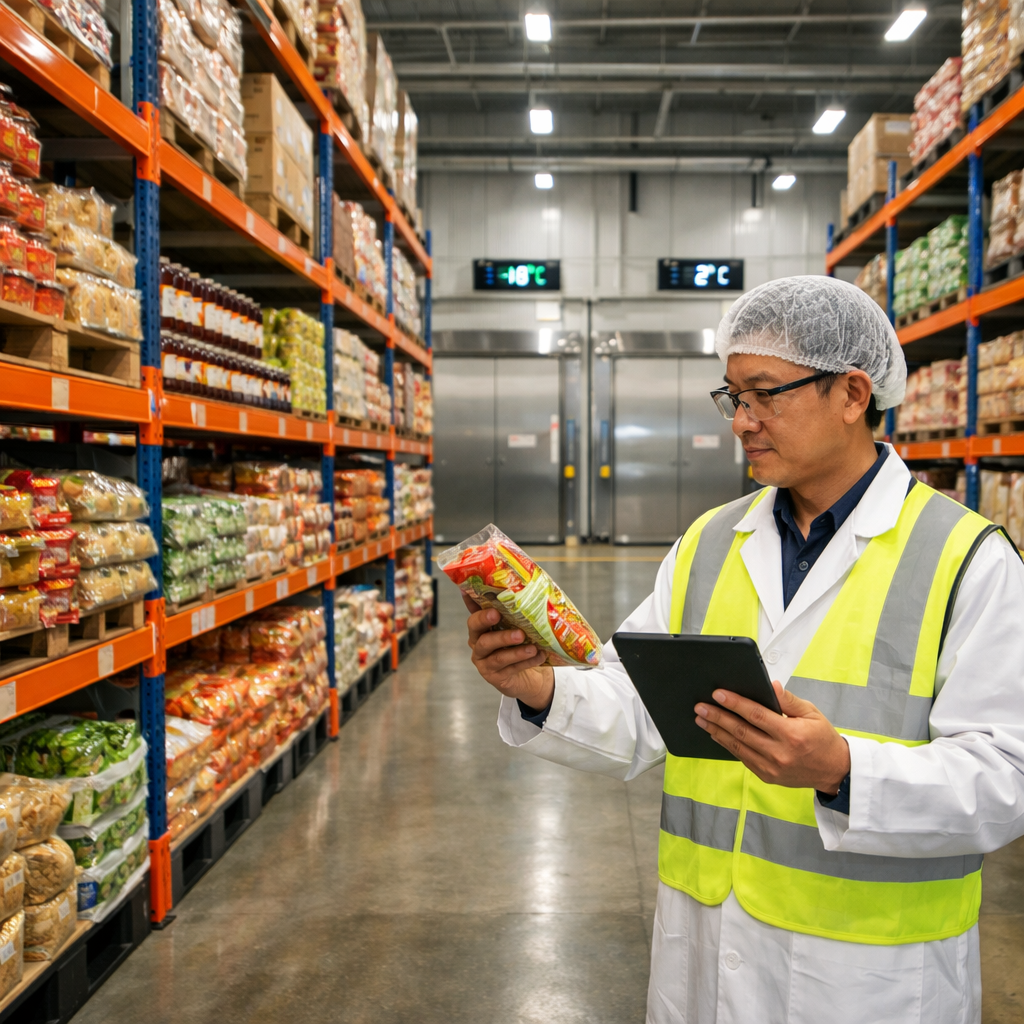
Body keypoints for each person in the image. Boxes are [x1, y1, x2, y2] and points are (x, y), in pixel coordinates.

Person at [462, 276, 1024, 1024]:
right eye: (733, 398)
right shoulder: (709, 542)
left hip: (866, 977)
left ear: (853, 393)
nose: (742, 422)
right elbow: (640, 707)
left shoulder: (965, 559)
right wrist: (538, 686)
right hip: (704, 954)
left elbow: (1006, 775)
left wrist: (844, 770)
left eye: (766, 394)